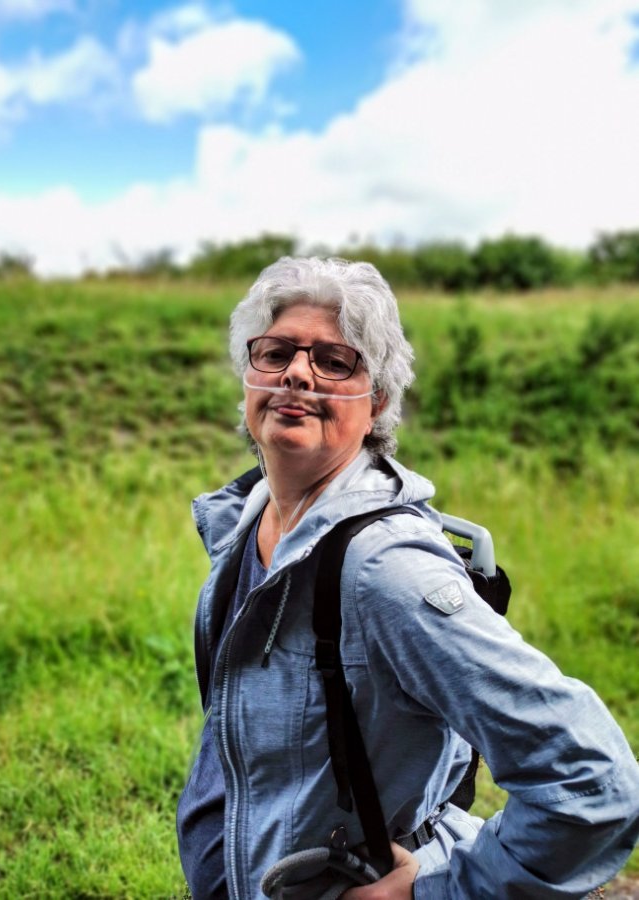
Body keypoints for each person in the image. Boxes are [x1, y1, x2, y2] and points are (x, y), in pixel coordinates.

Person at [177, 257, 639, 899]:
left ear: (377, 403)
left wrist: (435, 892)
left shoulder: (384, 568)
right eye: (275, 353)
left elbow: (591, 781)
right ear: (249, 377)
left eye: (334, 361)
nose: (296, 373)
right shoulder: (244, 523)